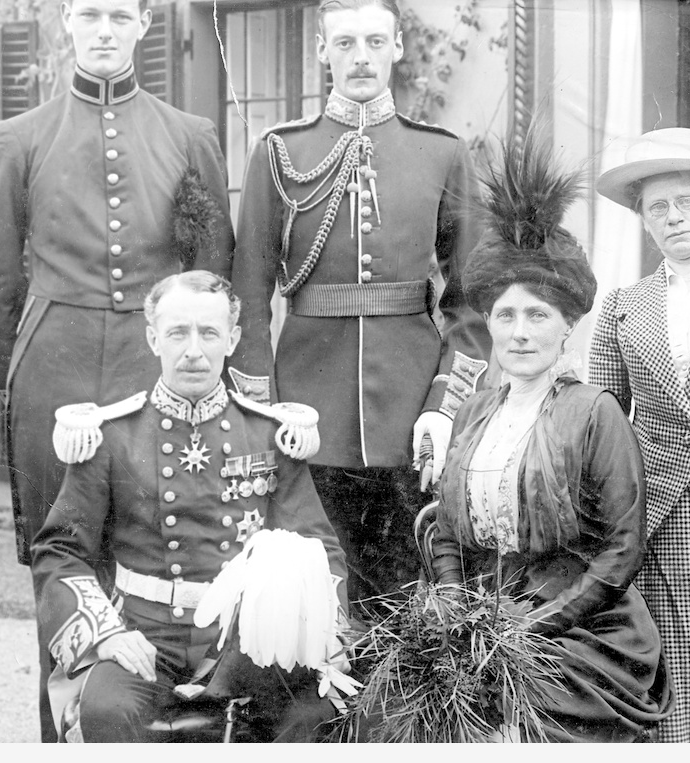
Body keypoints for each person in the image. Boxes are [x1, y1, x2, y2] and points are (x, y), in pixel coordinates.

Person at [0, 2, 233, 738]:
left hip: (160, 380)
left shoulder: (188, 136)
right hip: (56, 379)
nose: (105, 29)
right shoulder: (19, 138)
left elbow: (212, 274)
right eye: (90, 13)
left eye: (120, 13)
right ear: (66, 24)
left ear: (144, 25)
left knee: (166, 560)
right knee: (64, 575)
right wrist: (26, 374)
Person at [228, 0, 489, 603]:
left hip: (411, 409)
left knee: (410, 600)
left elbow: (472, 298)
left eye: (375, 41)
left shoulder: (441, 153)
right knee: (308, 599)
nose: (361, 56)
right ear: (323, 52)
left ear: (397, 48)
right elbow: (248, 292)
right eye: (344, 43)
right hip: (305, 407)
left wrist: (443, 406)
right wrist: (262, 412)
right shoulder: (279, 153)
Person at [425, 133, 674, 742]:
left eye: (538, 315)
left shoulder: (594, 413)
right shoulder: (473, 412)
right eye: (506, 315)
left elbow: (619, 552)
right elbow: (448, 530)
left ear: (567, 325)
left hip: (583, 640)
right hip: (485, 629)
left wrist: (531, 630)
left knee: (522, 730)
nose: (519, 333)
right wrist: (459, 611)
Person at [31, 271, 349, 742]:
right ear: (153, 337)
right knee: (107, 711)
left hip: (247, 645)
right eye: (178, 332)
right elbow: (59, 550)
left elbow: (319, 550)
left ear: (233, 339)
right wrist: (107, 635)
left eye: (209, 333)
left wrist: (326, 636)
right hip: (143, 639)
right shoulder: (112, 436)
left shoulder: (270, 435)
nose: (193, 350)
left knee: (318, 711)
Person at [589, 127, 690, 742]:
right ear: (643, 221)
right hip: (660, 517)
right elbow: (605, 419)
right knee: (676, 677)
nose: (673, 218)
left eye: (686, 201)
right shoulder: (624, 307)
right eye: (657, 207)